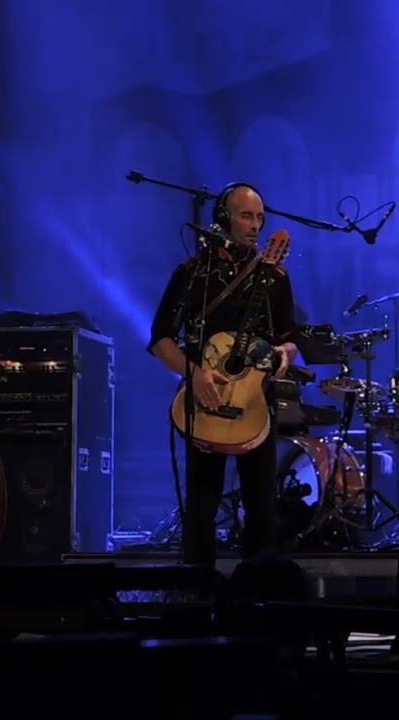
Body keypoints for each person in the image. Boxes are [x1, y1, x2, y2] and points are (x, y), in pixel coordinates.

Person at [147, 182, 300, 568]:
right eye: (246, 216)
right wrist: (194, 373)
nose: (255, 225)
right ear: (222, 218)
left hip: (253, 402)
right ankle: (198, 596)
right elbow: (160, 339)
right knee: (201, 507)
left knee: (261, 507)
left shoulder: (275, 277)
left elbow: (290, 338)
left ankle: (258, 601)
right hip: (205, 399)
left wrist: (284, 353)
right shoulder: (193, 272)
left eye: (260, 218)